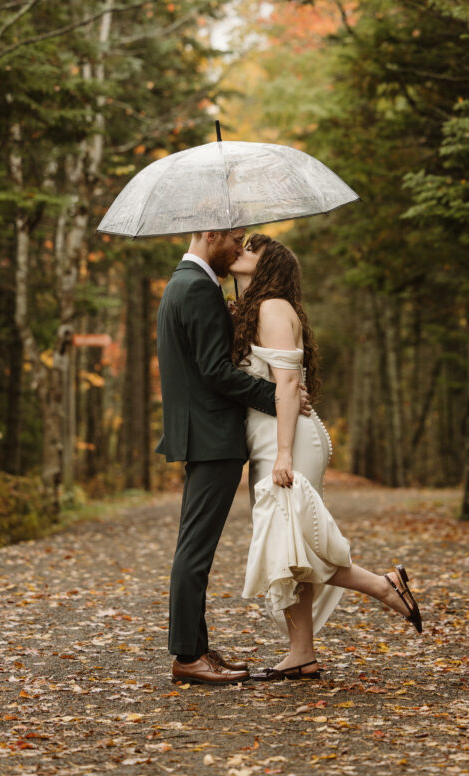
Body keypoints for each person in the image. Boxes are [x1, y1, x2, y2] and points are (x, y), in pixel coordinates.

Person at [230, 233, 422, 681]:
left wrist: (281, 453)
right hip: (275, 438)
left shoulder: (273, 307)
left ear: (269, 265)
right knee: (291, 548)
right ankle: (303, 654)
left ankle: (381, 586)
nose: (241, 250)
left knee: (296, 544)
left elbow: (287, 385)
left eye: (251, 248)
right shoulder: (255, 308)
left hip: (288, 441)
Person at [156, 228, 310, 687]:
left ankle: (196, 648)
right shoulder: (198, 288)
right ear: (210, 235)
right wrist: (279, 397)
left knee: (194, 545)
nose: (239, 250)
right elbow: (215, 371)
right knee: (196, 549)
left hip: (202, 433)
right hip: (212, 435)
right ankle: (187, 655)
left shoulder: (185, 282)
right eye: (234, 240)